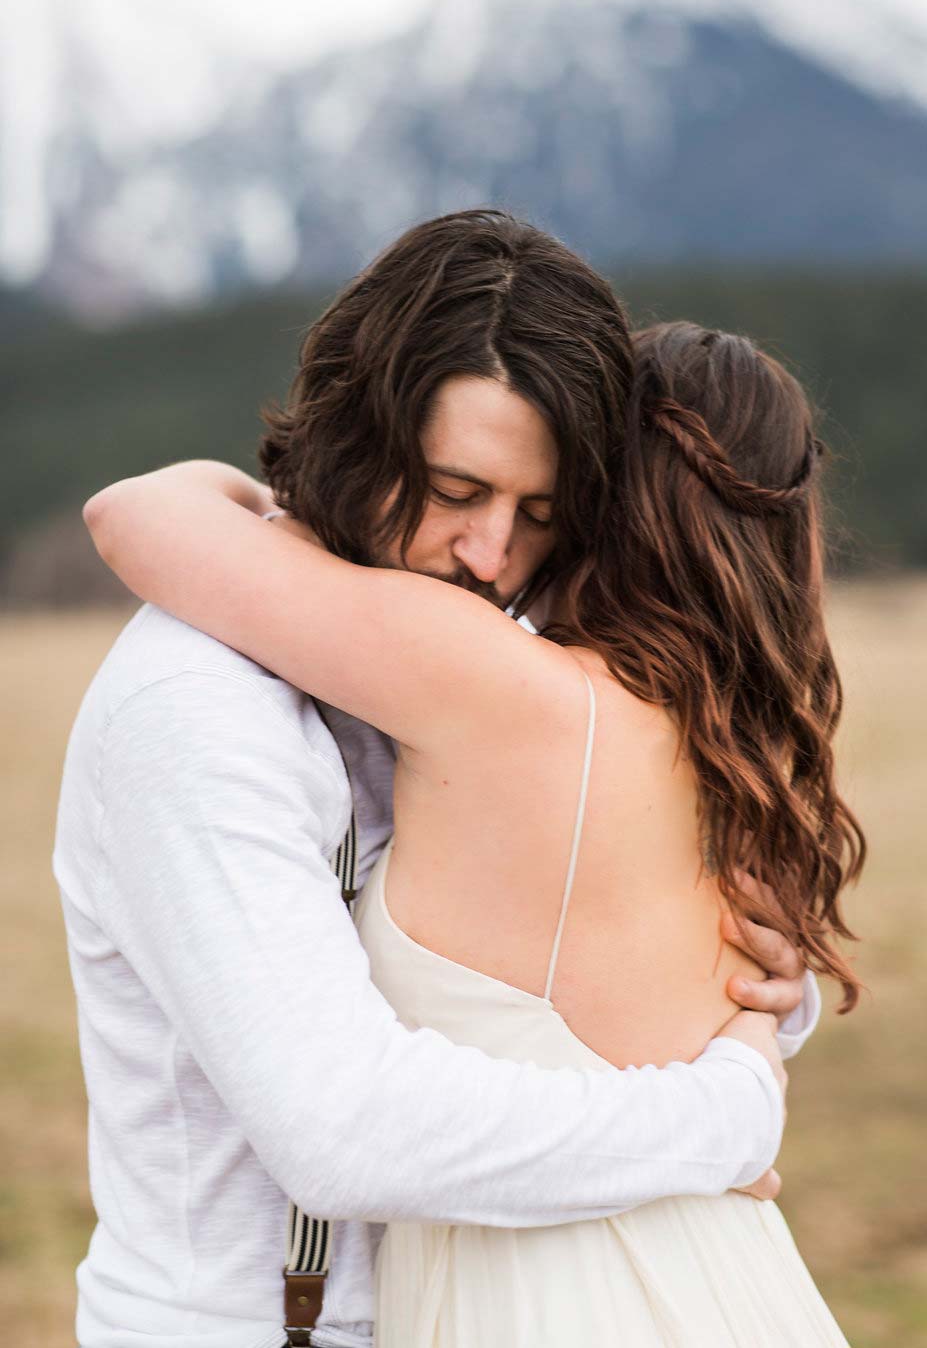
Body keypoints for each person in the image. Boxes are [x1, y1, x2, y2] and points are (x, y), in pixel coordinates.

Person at [60, 211, 818, 1348]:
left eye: (540, 516)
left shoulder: (478, 673)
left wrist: (764, 996)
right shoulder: (196, 711)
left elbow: (561, 984)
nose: (490, 556)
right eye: (455, 490)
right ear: (357, 435)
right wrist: (714, 1116)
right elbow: (341, 1128)